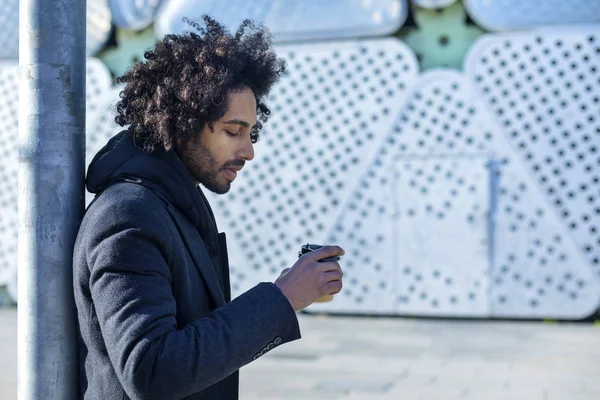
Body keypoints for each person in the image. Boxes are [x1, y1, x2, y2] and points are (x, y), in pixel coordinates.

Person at [73, 16, 344, 400]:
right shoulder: (128, 215)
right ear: (183, 123)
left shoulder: (175, 202)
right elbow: (151, 370)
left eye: (252, 133)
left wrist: (288, 291)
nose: (248, 151)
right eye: (233, 132)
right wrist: (282, 298)